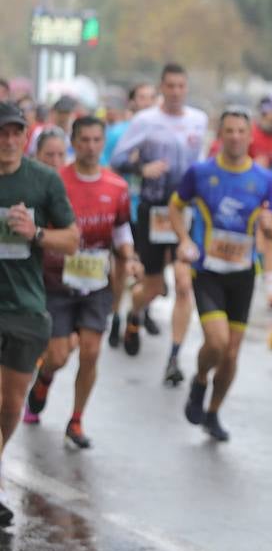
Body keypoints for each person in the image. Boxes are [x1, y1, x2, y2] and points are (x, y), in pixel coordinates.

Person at [21, 116, 138, 449]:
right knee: (57, 356)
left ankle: (76, 419)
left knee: (90, 351)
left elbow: (120, 228)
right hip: (56, 281)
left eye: (96, 140)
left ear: (103, 143)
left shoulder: (116, 186)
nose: (90, 146)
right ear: (75, 142)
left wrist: (128, 256)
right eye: (83, 140)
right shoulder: (55, 182)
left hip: (96, 282)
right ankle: (44, 379)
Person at [172, 109, 272, 441]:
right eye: (229, 131)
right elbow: (175, 205)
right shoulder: (200, 173)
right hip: (207, 270)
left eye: (241, 131)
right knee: (217, 342)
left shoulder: (264, 180)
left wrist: (269, 225)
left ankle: (213, 412)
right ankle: (200, 379)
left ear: (250, 137)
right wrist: (184, 239)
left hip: (243, 273)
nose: (235, 137)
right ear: (220, 135)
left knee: (232, 353)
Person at [0, 100, 78, 527]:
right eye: (2, 133)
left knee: (11, 403)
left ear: (25, 136)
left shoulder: (43, 181)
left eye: (16, 132)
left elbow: (72, 240)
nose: (9, 140)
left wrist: (38, 232)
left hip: (26, 306)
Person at [110, 63, 209, 384]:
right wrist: (143, 169)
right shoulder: (145, 121)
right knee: (152, 286)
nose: (176, 92)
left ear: (187, 88)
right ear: (161, 88)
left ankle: (174, 357)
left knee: (183, 283)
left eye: (182, 86)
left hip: (187, 210)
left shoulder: (198, 120)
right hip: (154, 210)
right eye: (170, 86)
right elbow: (118, 160)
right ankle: (134, 311)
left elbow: (201, 168)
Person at [103, 82, 156, 351]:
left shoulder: (162, 133)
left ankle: (138, 313)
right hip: (123, 208)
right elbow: (105, 166)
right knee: (121, 266)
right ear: (132, 103)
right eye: (141, 98)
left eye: (151, 98)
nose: (146, 103)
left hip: (151, 210)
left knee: (148, 269)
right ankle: (115, 315)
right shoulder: (117, 133)